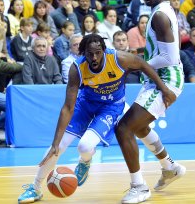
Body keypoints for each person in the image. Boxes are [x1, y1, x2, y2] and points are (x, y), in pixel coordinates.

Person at [17, 34, 176, 203]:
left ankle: (84, 162)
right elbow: (68, 107)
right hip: (86, 105)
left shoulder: (119, 59)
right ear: (83, 53)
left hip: (110, 107)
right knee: (59, 147)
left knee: (85, 147)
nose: (94, 57)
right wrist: (55, 142)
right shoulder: (76, 68)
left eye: (98, 53)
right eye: (89, 54)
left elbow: (143, 65)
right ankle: (35, 187)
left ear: (104, 50)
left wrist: (164, 89)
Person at [115, 0, 185, 204]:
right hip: (157, 78)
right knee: (139, 127)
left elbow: (170, 57)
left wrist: (137, 64)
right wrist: (139, 58)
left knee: (123, 128)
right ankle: (169, 167)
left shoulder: (160, 15)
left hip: (166, 79)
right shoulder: (160, 10)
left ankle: (139, 187)